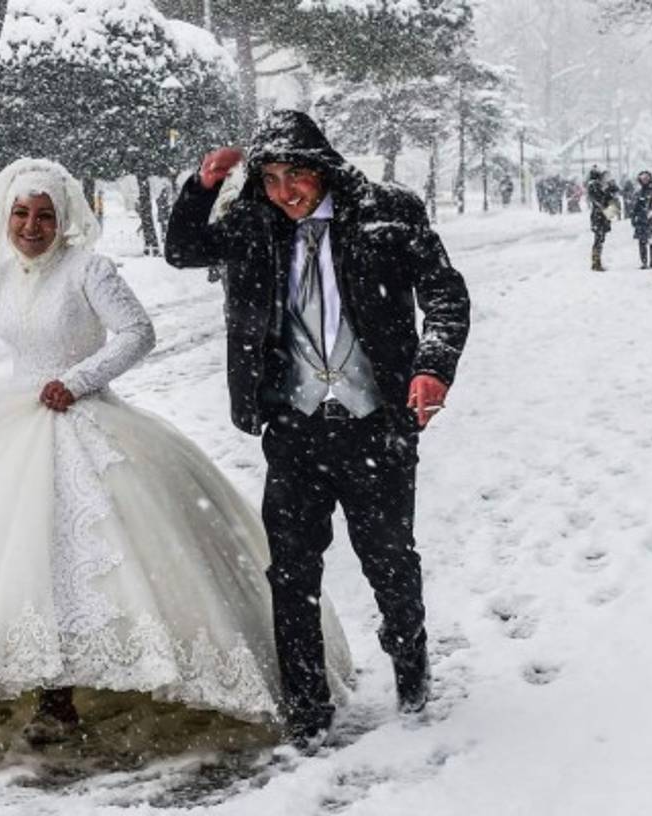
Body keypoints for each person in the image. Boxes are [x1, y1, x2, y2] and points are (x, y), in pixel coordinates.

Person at [0, 157, 352, 754]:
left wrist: (78, 379)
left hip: (87, 421)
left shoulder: (89, 270)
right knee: (23, 560)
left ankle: (104, 678)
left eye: (44, 215)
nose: (31, 225)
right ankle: (49, 689)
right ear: (6, 218)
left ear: (63, 218)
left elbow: (137, 332)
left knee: (93, 556)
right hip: (12, 433)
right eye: (21, 213)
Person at [164, 110, 470, 745]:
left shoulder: (388, 212)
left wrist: (432, 367)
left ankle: (409, 660)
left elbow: (445, 293)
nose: (284, 193)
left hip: (377, 424)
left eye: (295, 176)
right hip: (294, 427)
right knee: (292, 572)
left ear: (322, 167)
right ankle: (308, 708)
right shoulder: (252, 223)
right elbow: (183, 250)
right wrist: (201, 188)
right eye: (270, 178)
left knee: (389, 562)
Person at [586, 166, 619, 271]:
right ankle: (596, 263)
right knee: (598, 239)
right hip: (599, 215)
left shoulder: (597, 185)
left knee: (600, 239)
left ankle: (596, 262)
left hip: (601, 215)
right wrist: (609, 191)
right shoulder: (594, 185)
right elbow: (601, 200)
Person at [630, 170, 652, 270]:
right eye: (643, 178)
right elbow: (635, 207)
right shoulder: (639, 191)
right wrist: (633, 217)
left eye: (647, 178)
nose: (645, 180)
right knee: (642, 242)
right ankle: (644, 262)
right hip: (641, 220)